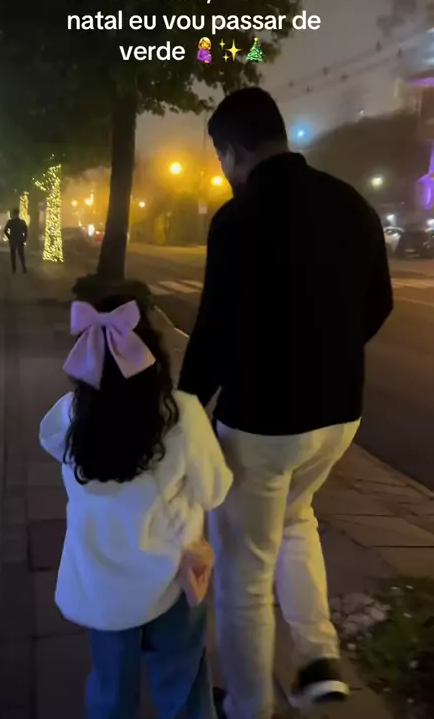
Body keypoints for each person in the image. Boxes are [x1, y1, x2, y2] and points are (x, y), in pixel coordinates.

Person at [178, 87, 393, 719]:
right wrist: (329, 355)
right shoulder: (352, 205)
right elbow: (378, 303)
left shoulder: (238, 220)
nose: (224, 169)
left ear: (231, 151)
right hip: (339, 415)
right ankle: (319, 661)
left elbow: (212, 332)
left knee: (245, 570)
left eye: (221, 157)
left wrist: (184, 411)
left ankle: (249, 705)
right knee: (297, 521)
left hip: (263, 424)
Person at [39, 293, 232, 719]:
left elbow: (49, 440)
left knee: (111, 691)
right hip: (173, 579)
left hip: (102, 587)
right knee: (183, 686)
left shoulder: (71, 415)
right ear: (153, 354)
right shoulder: (183, 415)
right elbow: (214, 491)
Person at [4, 208, 28, 273]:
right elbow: (25, 231)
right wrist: (24, 238)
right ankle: (23, 267)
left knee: (13, 255)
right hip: (20, 240)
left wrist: (9, 237)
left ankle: (14, 269)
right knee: (21, 254)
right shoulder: (22, 222)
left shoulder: (10, 222)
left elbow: (5, 230)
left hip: (13, 240)